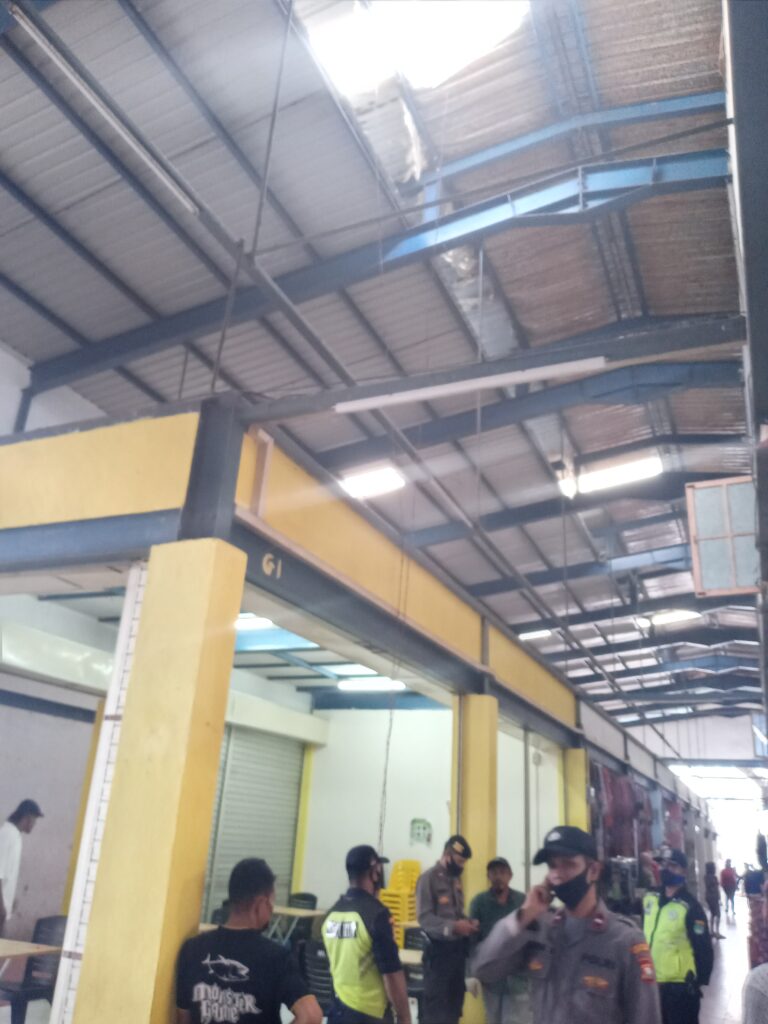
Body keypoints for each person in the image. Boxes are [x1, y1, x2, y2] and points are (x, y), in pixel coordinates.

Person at [472, 825, 662, 1024]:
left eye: (568, 864)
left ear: (594, 870)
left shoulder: (624, 940)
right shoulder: (541, 931)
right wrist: (523, 915)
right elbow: (484, 969)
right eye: (552, 866)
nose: (558, 874)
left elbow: (646, 1017)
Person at [175, 858, 322, 1024]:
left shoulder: (192, 949)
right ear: (261, 904)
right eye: (271, 903)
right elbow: (311, 1016)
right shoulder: (276, 958)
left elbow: (183, 1018)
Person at [323, 845, 411, 1024]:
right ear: (375, 873)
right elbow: (392, 974)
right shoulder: (377, 915)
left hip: (337, 1011)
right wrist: (405, 1017)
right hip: (370, 1014)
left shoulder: (331, 914)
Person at [643, 849, 713, 1024]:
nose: (666, 869)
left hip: (680, 988)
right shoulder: (650, 899)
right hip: (652, 984)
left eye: (672, 866)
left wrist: (697, 982)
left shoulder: (690, 907)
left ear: (683, 871)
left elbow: (703, 948)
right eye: (663, 865)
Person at [416, 834, 478, 1024]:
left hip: (456, 955)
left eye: (464, 863)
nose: (461, 866)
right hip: (438, 956)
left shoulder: (455, 880)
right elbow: (425, 918)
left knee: (454, 1008)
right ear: (447, 855)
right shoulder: (428, 879)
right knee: (436, 1012)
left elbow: (455, 914)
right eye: (459, 861)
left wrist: (467, 922)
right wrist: (453, 928)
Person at [468, 857, 529, 1024]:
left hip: (519, 978)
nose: (498, 877)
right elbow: (472, 941)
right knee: (493, 1019)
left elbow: (532, 937)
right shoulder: (479, 903)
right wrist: (471, 973)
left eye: (502, 872)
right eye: (494, 873)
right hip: (492, 980)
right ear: (488, 876)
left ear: (510, 876)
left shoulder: (522, 901)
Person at [0, 799, 43, 936]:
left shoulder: (14, 835)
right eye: (35, 820)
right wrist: (1, 905)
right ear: (27, 818)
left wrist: (9, 900)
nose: (35, 824)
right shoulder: (8, 835)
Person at [704, 862, 723, 940]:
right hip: (713, 897)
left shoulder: (705, 877)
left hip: (708, 897)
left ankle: (712, 931)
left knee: (712, 914)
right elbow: (715, 888)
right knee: (718, 914)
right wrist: (718, 897)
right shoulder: (713, 877)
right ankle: (717, 932)